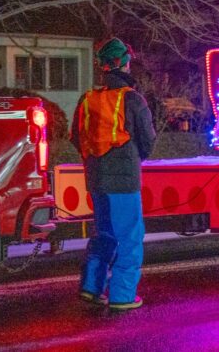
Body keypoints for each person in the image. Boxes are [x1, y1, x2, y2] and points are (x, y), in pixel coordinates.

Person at [71, 38, 155, 311]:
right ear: (123, 64)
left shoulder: (88, 99)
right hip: (125, 180)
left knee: (103, 233)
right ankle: (122, 295)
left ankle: (91, 287)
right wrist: (133, 159)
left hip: (96, 178)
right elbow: (147, 140)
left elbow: (76, 137)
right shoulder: (132, 98)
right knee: (129, 235)